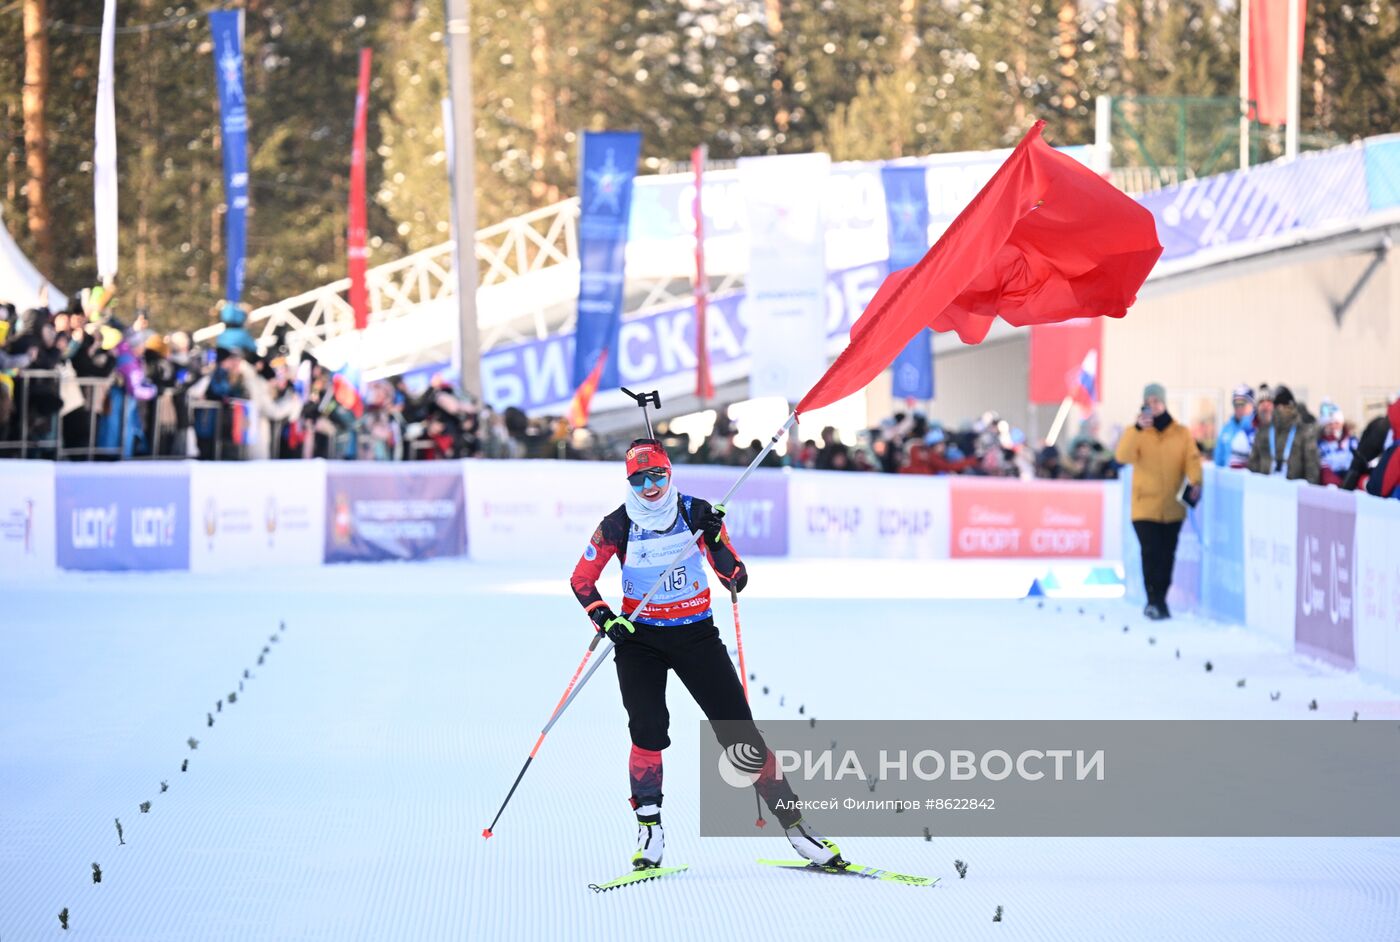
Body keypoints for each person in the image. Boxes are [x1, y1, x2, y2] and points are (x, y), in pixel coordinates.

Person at [570, 438, 842, 871]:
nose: (649, 485)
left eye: (656, 474)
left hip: (695, 635)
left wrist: (715, 539)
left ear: (669, 472)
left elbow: (734, 577)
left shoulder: (696, 513)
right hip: (639, 640)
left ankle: (797, 827)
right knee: (648, 729)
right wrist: (605, 620)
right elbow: (582, 580)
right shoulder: (616, 525)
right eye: (639, 478)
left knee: (738, 733)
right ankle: (649, 829)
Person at [1114, 382, 1203, 620]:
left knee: (1167, 555)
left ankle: (1160, 599)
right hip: (1144, 506)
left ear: (1164, 403)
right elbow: (1122, 455)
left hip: (1172, 507)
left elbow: (1192, 460)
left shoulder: (1181, 433)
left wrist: (1195, 481)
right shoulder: (1137, 433)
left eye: (1156, 401)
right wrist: (1136, 429)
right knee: (1150, 552)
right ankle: (1152, 599)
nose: (1152, 406)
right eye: (1148, 402)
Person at [1247, 385, 1320, 483]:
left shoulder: (1303, 432)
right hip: (1265, 488)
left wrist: (1309, 492)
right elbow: (1253, 464)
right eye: (1278, 405)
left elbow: (1311, 467)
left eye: (1286, 405)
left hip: (1294, 490)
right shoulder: (1263, 431)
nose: (1282, 409)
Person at [1213, 384, 1257, 469]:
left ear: (1252, 405)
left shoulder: (1257, 428)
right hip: (1230, 479)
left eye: (1242, 403)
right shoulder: (1226, 429)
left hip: (1249, 479)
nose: (1238, 407)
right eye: (1235, 404)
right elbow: (1218, 460)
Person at [1316, 400, 1358, 488]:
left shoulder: (1353, 442)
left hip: (1353, 483)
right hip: (1333, 487)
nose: (1333, 427)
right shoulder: (1321, 445)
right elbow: (1324, 470)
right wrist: (1340, 485)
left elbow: (1361, 463)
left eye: (1336, 423)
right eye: (1330, 424)